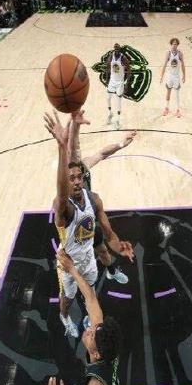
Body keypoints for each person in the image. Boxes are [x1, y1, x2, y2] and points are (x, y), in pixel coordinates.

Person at [44, 110, 134, 338]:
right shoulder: (63, 205)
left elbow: (109, 234)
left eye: (78, 177)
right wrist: (63, 142)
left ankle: (90, 309)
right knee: (67, 298)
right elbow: (61, 192)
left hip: (87, 254)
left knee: (91, 291)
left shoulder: (93, 196)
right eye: (71, 178)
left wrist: (119, 247)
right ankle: (65, 317)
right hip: (69, 260)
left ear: (82, 175)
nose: (76, 181)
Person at [46, 249, 124, 385]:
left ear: (96, 354)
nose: (88, 328)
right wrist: (72, 269)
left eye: (91, 335)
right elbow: (90, 298)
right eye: (93, 328)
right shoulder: (106, 344)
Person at [67, 111, 137, 285]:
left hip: (88, 218)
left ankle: (111, 271)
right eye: (75, 148)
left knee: (103, 251)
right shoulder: (66, 171)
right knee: (79, 268)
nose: (78, 149)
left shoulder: (85, 167)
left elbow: (102, 153)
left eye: (79, 147)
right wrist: (75, 126)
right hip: (72, 226)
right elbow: (72, 147)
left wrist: (121, 143)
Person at [105, 44, 130, 130]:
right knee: (108, 97)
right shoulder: (111, 56)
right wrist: (107, 79)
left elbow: (129, 70)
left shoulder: (123, 58)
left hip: (120, 82)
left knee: (118, 100)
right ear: (114, 49)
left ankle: (118, 120)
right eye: (115, 49)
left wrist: (127, 84)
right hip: (112, 81)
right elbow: (107, 67)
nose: (116, 50)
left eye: (118, 49)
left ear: (119, 49)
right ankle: (110, 113)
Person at [160, 37, 185, 117]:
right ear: (171, 44)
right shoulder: (168, 53)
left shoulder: (180, 53)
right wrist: (161, 76)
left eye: (176, 44)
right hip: (169, 75)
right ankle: (166, 108)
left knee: (177, 94)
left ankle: (178, 110)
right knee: (168, 92)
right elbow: (164, 64)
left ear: (177, 45)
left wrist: (184, 75)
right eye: (173, 44)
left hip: (176, 76)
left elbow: (183, 65)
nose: (174, 45)